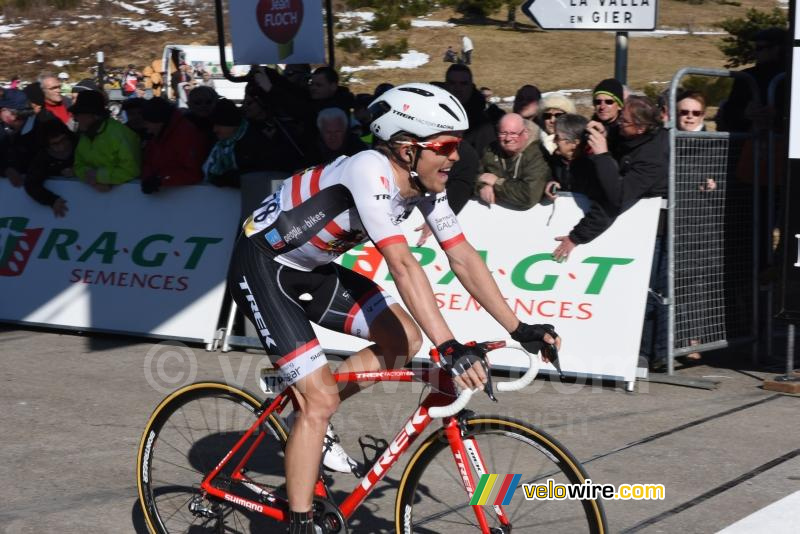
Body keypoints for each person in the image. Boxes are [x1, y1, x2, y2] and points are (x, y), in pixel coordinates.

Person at [228, 82, 560, 533]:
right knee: (321, 399)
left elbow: (461, 255)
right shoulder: (369, 170)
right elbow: (402, 264)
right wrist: (449, 346)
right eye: (445, 146)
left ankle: (308, 412)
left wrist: (518, 326)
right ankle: (301, 517)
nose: (456, 157)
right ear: (406, 149)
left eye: (458, 145)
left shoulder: (427, 182)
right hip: (262, 264)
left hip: (312, 267)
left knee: (403, 339)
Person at [584, 95, 669, 371]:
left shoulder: (653, 155)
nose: (618, 124)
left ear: (641, 127)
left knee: (650, 291)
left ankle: (649, 352)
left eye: (624, 122)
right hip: (628, 229)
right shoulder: (627, 136)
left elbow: (619, 195)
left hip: (656, 230)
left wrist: (603, 155)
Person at [476, 112, 549, 210]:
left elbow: (527, 196)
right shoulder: (490, 150)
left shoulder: (537, 155)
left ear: (525, 133)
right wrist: (481, 186)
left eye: (513, 133)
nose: (507, 138)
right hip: (496, 214)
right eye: (503, 133)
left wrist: (496, 182)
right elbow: (472, 175)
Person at [71, 90, 141, 192]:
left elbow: (132, 170)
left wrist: (99, 177)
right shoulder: (85, 135)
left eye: (79, 114)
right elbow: (78, 166)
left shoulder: (120, 134)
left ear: (95, 115)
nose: (75, 118)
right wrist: (91, 178)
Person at [139, 97, 211, 194]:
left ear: (158, 121)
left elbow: (194, 173)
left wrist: (161, 179)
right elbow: (148, 161)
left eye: (147, 122)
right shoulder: (155, 134)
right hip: (165, 196)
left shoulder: (186, 135)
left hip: (188, 198)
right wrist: (148, 177)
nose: (145, 126)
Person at [23, 118, 76, 217]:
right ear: (47, 145)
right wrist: (51, 200)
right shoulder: (43, 158)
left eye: (63, 140)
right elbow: (31, 183)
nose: (62, 147)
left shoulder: (79, 145)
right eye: (55, 144)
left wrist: (79, 171)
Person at [303, 107, 368, 167]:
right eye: (328, 132)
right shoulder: (311, 152)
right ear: (320, 132)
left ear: (345, 130)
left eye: (338, 131)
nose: (333, 137)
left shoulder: (359, 150)